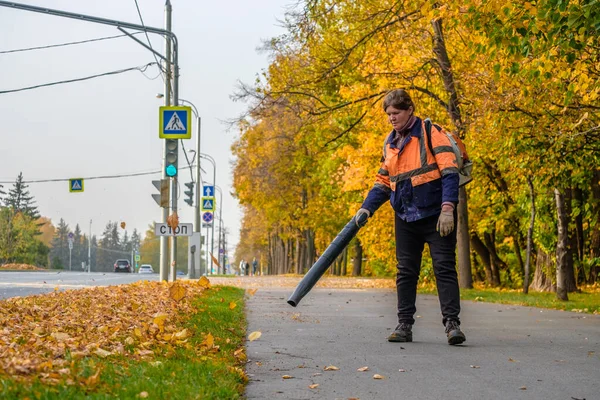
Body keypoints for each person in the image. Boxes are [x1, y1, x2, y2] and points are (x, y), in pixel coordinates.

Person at [356, 89, 466, 345]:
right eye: (388, 114)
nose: (391, 118)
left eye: (396, 113)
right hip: (405, 216)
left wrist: (448, 208)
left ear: (409, 110)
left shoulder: (430, 133)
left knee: (444, 268)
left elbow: (449, 171)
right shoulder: (390, 143)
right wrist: (366, 208)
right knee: (405, 272)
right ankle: (404, 325)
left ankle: (452, 325)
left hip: (437, 215)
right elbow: (383, 180)